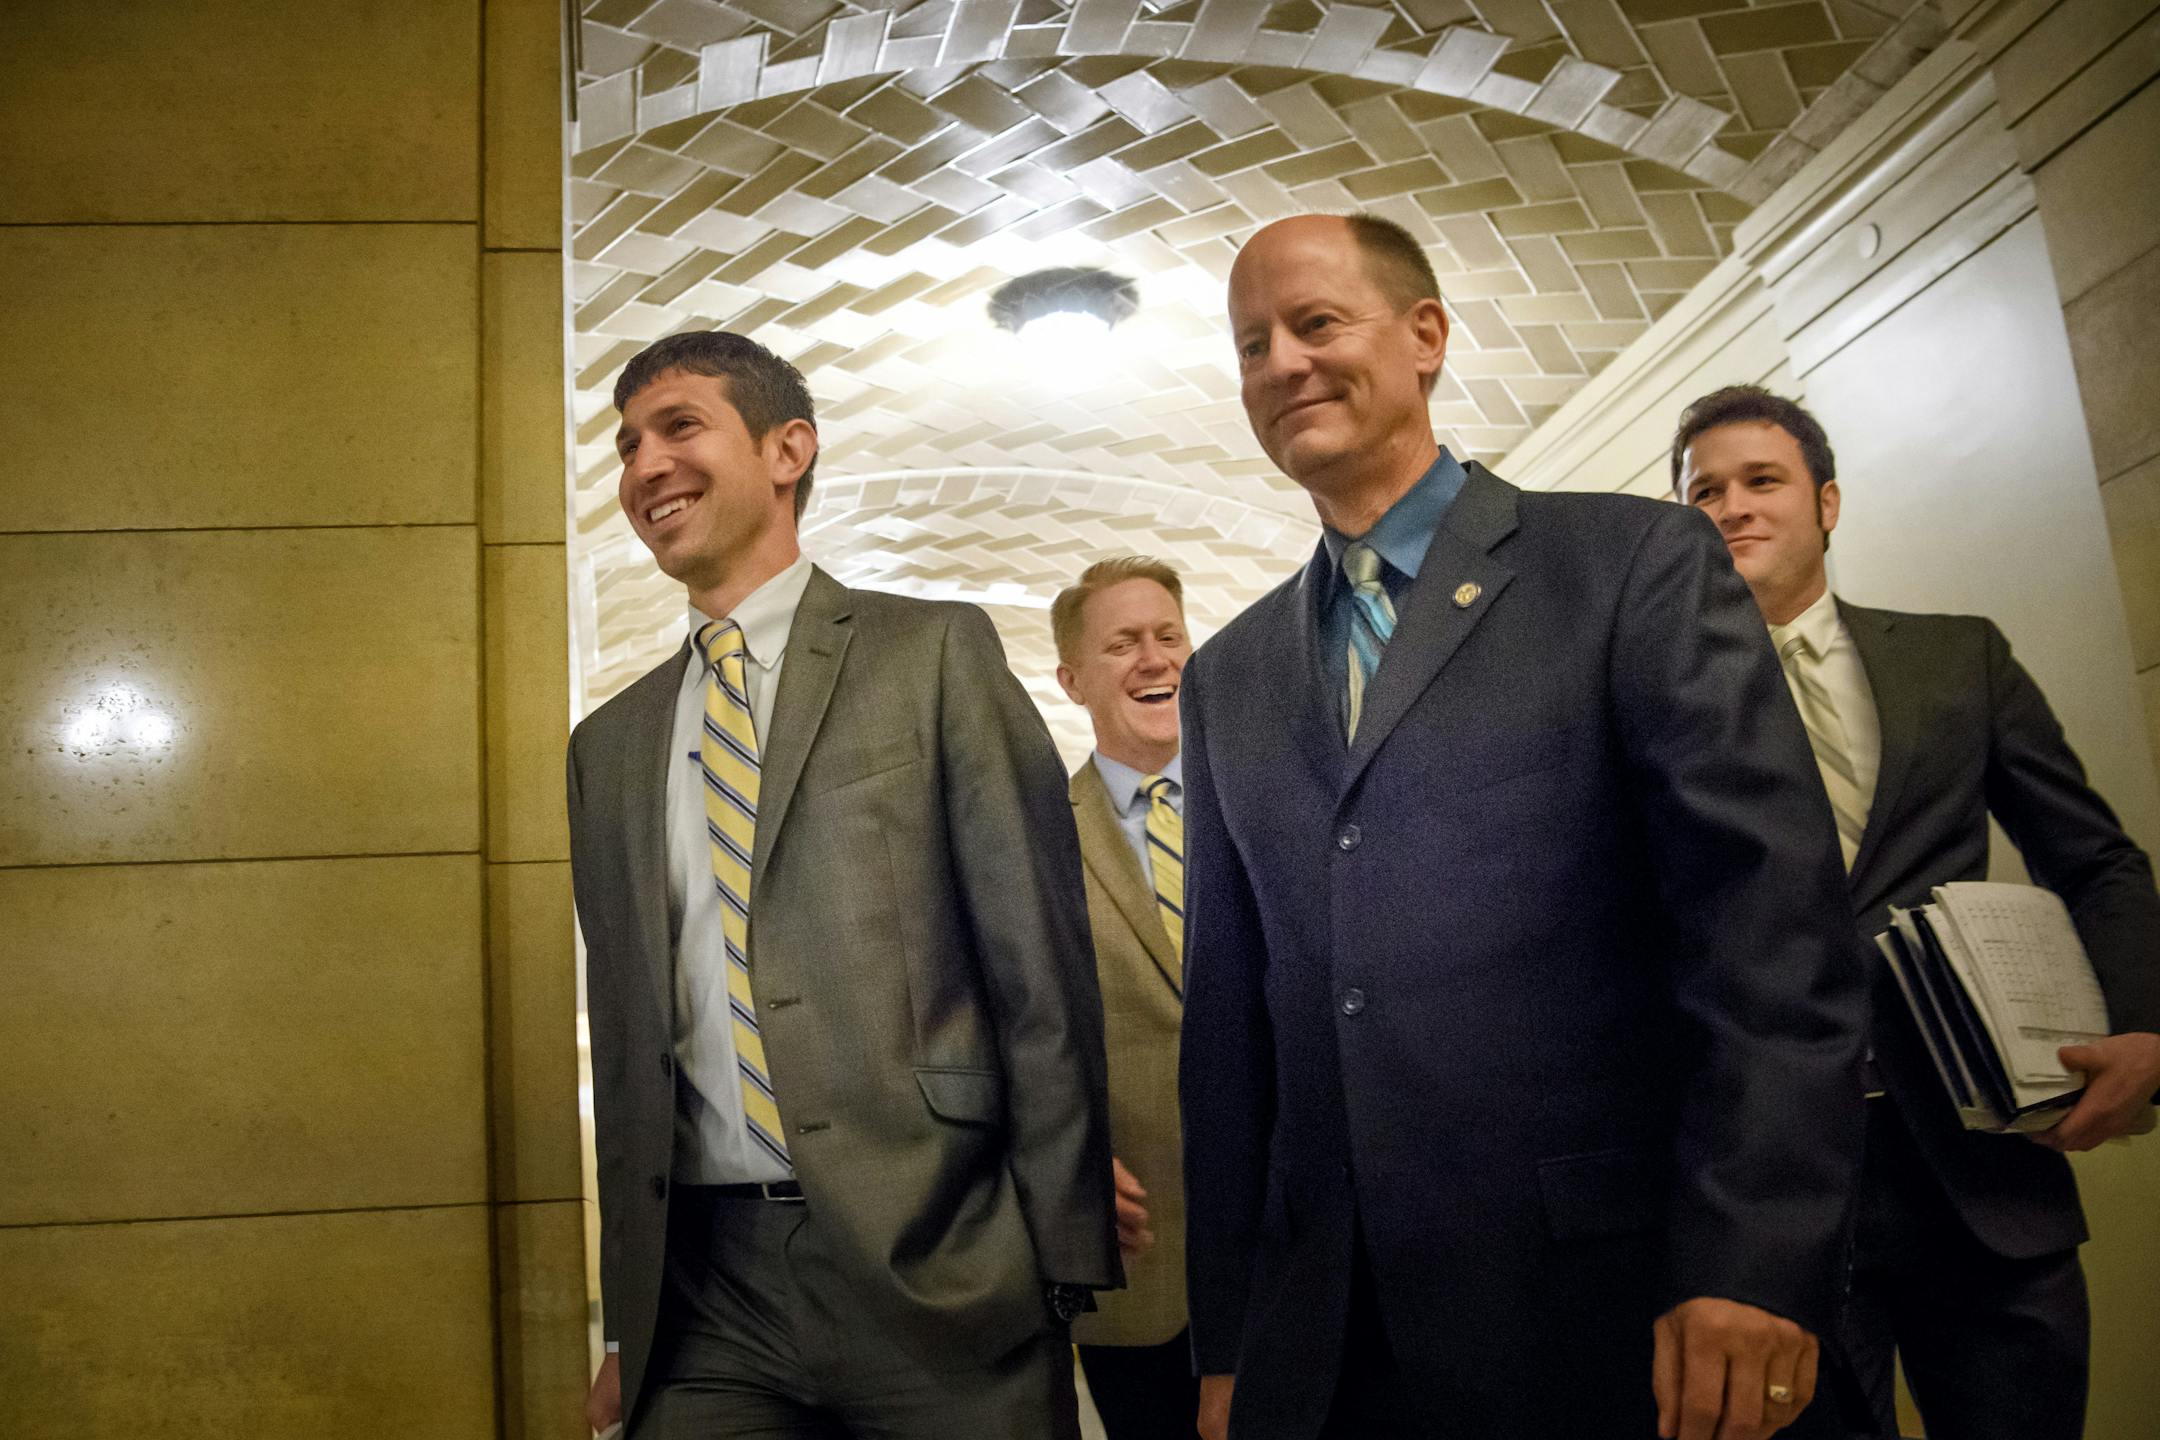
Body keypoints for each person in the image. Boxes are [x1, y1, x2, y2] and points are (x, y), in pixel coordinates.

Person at [1178, 212, 1870, 1440]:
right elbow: (1233, 1034)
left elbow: (1765, 930)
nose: (1280, 364)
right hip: (1338, 1350)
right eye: (1249, 347)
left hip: (1611, 1311)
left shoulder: (1628, 563)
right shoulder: (1226, 676)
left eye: (1316, 323)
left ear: (1427, 334)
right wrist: (1232, 1340)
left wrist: (1752, 1259)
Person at [566, 330, 1120, 1438]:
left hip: (941, 1268)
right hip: (707, 1299)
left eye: (679, 427)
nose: (644, 467)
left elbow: (1038, 970)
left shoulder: (934, 655)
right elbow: (634, 1039)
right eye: (627, 446)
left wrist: (1056, 1264)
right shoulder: (608, 745)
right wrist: (629, 1326)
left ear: (787, 450)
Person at [1673, 384, 2160, 1440]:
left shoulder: (1957, 658)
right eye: (1704, 491)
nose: (1733, 506)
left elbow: (2099, 860)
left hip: (1984, 1174)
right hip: (1774, 1203)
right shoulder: (1653, 704)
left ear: (1828, 502)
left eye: (1763, 480)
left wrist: (2143, 1024)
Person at [1050, 556, 1201, 1440]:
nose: (1153, 658)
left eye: (1168, 636)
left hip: (1296, 1249)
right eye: (1122, 644)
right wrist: (1058, 1168)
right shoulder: (1032, 835)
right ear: (1073, 681)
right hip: (1135, 1271)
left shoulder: (1271, 801)